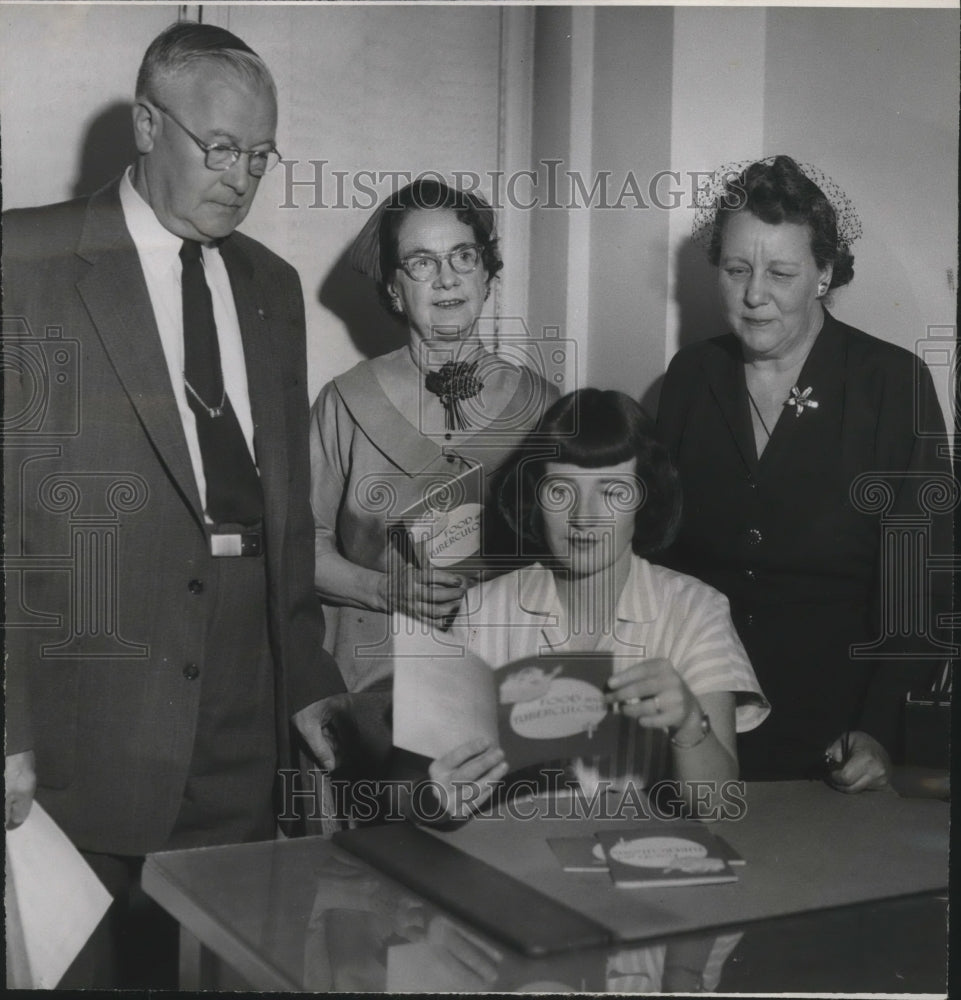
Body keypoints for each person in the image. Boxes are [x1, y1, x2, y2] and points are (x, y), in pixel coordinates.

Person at [2, 22, 342, 986]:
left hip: (245, 728)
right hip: (84, 733)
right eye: (221, 148)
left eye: (262, 155)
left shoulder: (272, 287)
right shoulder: (22, 263)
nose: (242, 177)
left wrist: (309, 685)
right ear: (148, 124)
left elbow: (284, 527)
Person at [656, 155, 953, 790]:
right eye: (736, 270)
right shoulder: (690, 377)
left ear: (823, 273)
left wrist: (879, 728)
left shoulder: (892, 384)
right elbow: (659, 558)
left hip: (836, 733)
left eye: (781, 273)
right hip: (699, 717)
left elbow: (919, 582)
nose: (754, 294)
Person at [417, 389, 768, 823]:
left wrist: (688, 722)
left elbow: (719, 810)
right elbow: (425, 793)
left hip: (648, 862)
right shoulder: (480, 611)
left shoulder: (697, 610)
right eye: (560, 491)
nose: (584, 518)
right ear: (534, 496)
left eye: (612, 492)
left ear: (645, 497)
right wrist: (439, 797)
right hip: (517, 860)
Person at [309, 178, 558, 699]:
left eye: (463, 256)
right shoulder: (345, 403)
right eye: (422, 262)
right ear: (395, 290)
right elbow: (300, 548)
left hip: (506, 673)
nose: (447, 279)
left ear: (487, 275)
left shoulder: (544, 408)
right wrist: (382, 589)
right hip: (375, 675)